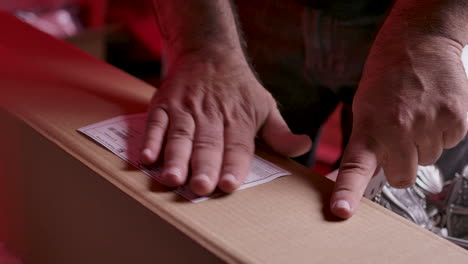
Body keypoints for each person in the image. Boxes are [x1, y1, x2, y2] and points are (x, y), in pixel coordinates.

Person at [141, 0, 468, 219]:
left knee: (397, 206)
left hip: (425, 12)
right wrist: (203, 44)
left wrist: (436, 30)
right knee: (242, 196)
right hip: (245, 12)